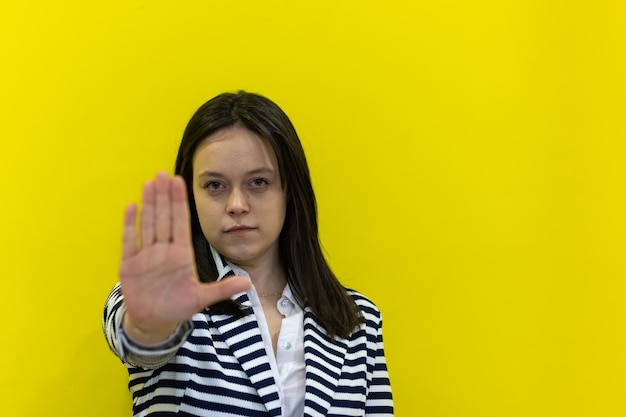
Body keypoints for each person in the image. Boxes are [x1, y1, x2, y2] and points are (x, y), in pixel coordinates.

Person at [103, 91, 394, 417]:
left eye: (258, 181)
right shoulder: (164, 294)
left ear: (289, 191)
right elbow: (141, 338)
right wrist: (153, 321)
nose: (237, 205)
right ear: (190, 195)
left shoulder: (358, 320)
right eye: (215, 185)